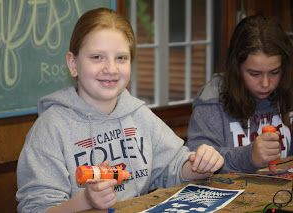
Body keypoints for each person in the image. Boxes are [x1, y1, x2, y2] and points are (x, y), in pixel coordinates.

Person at [16, 7, 224, 212]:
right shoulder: (50, 128)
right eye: (97, 57)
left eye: (121, 58)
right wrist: (86, 201)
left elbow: (174, 166)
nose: (111, 69)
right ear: (73, 63)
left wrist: (199, 164)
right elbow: (35, 209)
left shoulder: (138, 114)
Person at [187, 14, 293, 174]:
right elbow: (196, 161)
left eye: (274, 72)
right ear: (236, 68)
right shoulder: (212, 99)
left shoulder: (287, 89)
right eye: (254, 74)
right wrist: (249, 157)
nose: (266, 83)